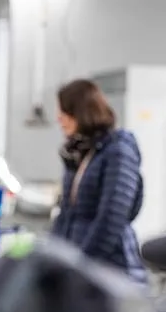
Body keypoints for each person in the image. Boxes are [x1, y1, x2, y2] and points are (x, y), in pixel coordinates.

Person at [51, 79, 147, 283]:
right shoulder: (80, 155)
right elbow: (66, 215)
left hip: (113, 272)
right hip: (81, 271)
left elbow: (111, 218)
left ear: (81, 112)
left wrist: (80, 265)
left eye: (65, 112)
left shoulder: (119, 150)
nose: (59, 118)